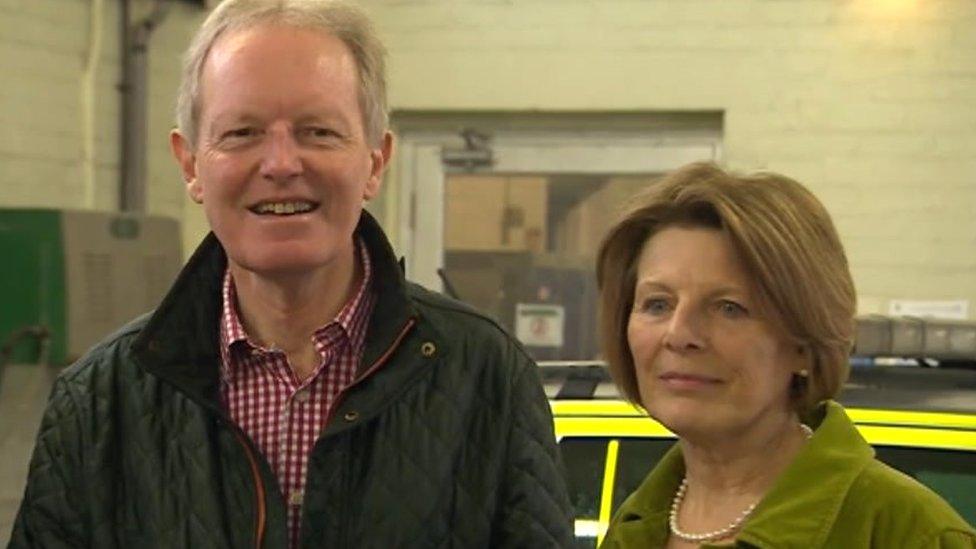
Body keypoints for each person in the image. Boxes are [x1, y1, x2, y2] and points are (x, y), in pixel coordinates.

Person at [10, 1, 572, 547]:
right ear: (190, 165)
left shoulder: (487, 377)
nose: (280, 164)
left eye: (318, 132)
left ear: (375, 161)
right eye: (242, 133)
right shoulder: (97, 401)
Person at [595, 162, 976, 548]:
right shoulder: (632, 530)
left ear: (803, 344)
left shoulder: (909, 534)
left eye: (729, 307)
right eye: (658, 304)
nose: (679, 335)